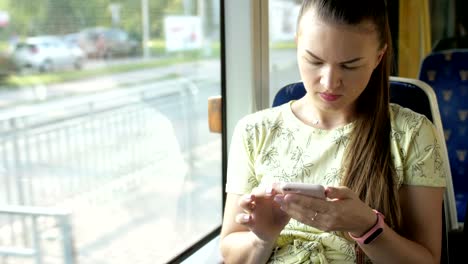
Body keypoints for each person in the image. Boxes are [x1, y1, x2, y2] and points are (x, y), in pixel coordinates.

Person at [220, 0, 447, 263]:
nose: (329, 82)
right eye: (314, 61)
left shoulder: (412, 134)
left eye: (349, 65)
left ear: (378, 57)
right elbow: (230, 250)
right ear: (297, 45)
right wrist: (262, 237)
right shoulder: (254, 131)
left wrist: (367, 227)